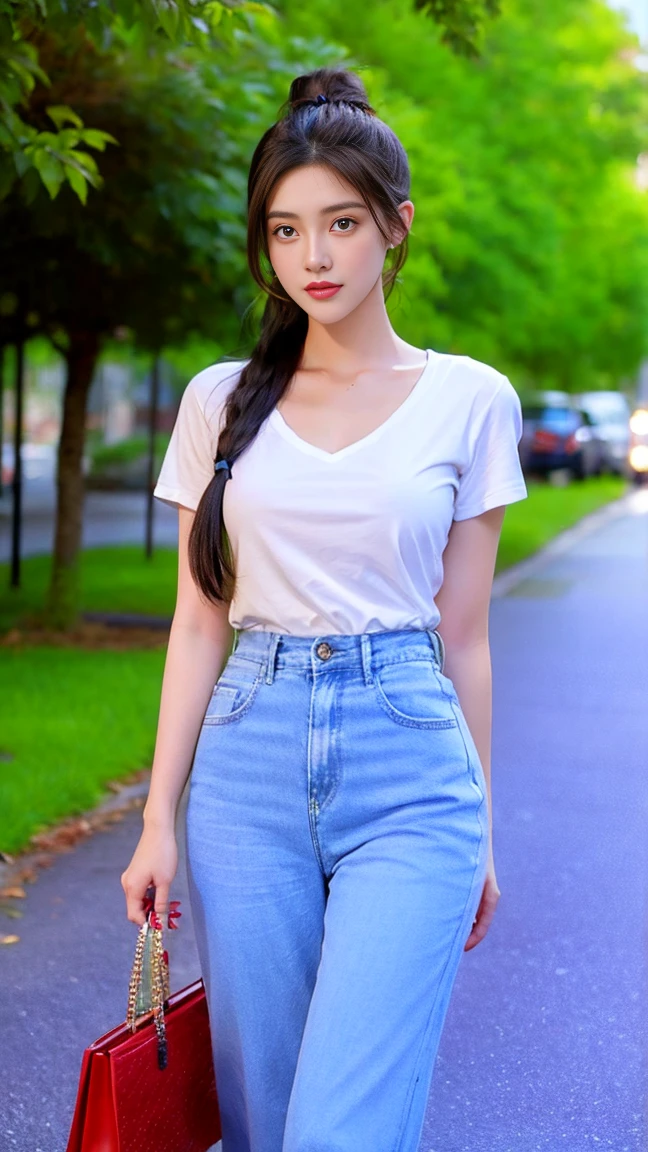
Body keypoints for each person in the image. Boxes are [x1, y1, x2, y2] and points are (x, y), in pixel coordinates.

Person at [121, 66, 528, 1152]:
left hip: (411, 767)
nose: (313, 256)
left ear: (394, 228)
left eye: (340, 223)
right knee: (264, 1123)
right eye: (286, 229)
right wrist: (157, 819)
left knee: (339, 1129)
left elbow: (468, 636)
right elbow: (199, 621)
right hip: (244, 769)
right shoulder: (218, 401)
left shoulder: (471, 398)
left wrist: (482, 825)